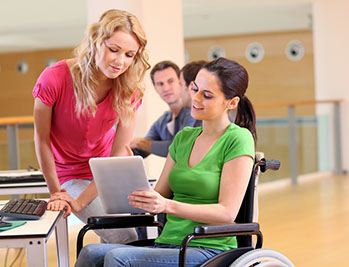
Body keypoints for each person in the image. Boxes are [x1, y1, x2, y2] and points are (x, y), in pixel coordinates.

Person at [75, 57, 258, 267]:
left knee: (117, 258)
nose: (196, 98)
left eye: (207, 95)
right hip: (168, 243)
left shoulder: (238, 138)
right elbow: (159, 197)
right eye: (195, 89)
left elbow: (227, 213)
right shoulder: (184, 137)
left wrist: (167, 205)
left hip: (207, 247)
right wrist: (137, 192)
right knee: (90, 252)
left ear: (232, 103)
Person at [32, 9, 150, 244]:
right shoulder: (54, 78)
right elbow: (42, 139)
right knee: (123, 235)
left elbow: (117, 153)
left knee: (139, 234)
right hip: (69, 173)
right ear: (96, 41)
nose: (120, 62)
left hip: (106, 170)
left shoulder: (130, 90)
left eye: (129, 55)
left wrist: (82, 201)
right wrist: (58, 193)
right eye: (113, 50)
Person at [130, 60, 201, 158]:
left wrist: (140, 142)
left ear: (180, 82)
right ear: (155, 88)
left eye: (171, 81)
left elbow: (179, 147)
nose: (166, 88)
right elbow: (140, 150)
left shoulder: (194, 112)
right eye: (160, 84)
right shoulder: (162, 122)